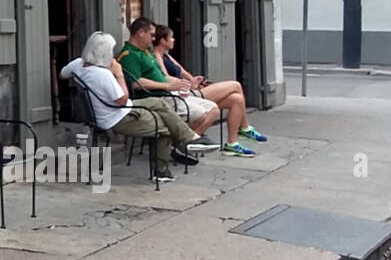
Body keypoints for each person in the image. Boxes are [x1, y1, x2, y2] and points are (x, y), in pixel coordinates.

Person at [60, 30, 204, 183]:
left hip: (111, 110)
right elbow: (122, 99)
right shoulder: (103, 75)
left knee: (159, 103)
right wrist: (119, 74)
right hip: (118, 116)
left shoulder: (78, 64)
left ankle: (189, 138)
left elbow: (63, 74)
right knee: (165, 128)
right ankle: (162, 171)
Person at [151, 23, 268, 154]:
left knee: (237, 99)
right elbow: (165, 78)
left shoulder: (167, 55)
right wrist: (189, 84)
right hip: (185, 94)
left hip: (191, 90)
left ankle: (232, 143)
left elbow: (183, 72)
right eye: (171, 37)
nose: (174, 40)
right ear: (162, 40)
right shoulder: (156, 56)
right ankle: (244, 128)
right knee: (236, 85)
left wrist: (195, 80)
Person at [116, 18, 218, 165]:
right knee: (201, 114)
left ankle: (180, 144)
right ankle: (182, 144)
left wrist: (185, 84)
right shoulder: (129, 55)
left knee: (213, 108)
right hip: (154, 97)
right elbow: (136, 83)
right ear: (140, 33)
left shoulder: (146, 52)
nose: (153, 39)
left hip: (168, 93)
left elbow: (163, 77)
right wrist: (167, 87)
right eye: (151, 35)